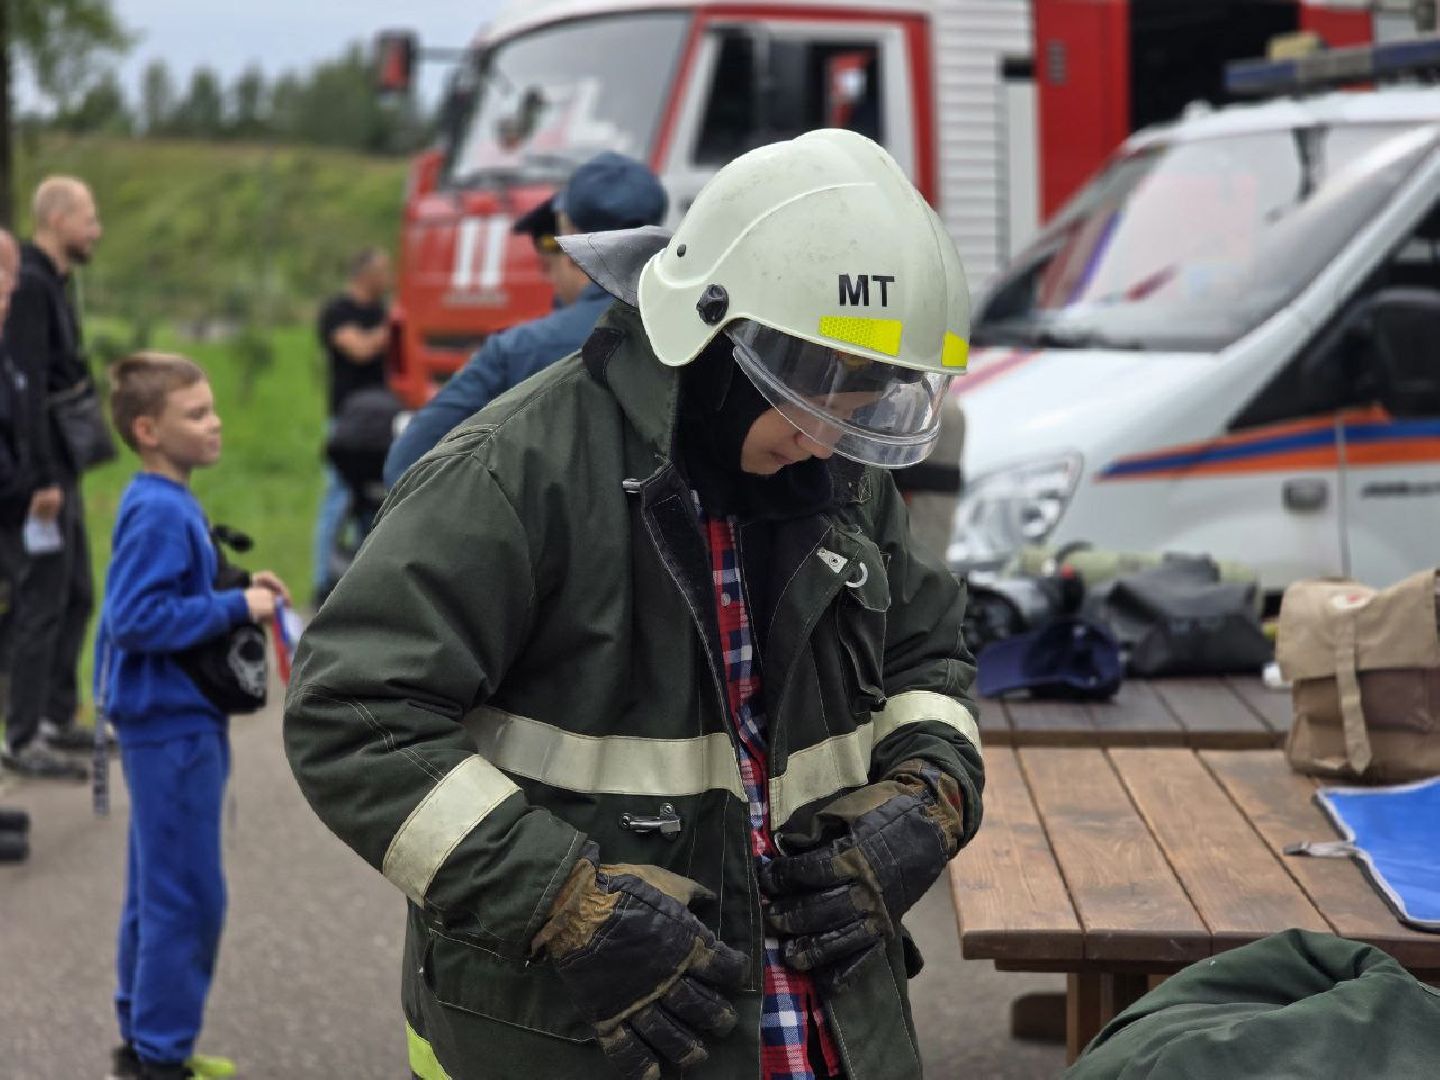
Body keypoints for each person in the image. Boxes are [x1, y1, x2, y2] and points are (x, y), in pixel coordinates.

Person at [286, 129, 982, 1080]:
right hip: (595, 1034)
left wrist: (927, 799)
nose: (825, 442)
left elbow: (931, 658)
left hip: (827, 1033)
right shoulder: (516, 474)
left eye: (858, 410)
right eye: (808, 395)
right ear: (716, 336)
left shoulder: (841, 478)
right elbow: (351, 715)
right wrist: (561, 905)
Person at [95, 353, 289, 1080]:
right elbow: (134, 617)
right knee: (188, 898)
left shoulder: (163, 500)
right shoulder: (158, 510)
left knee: (157, 891)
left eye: (213, 409)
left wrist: (238, 584)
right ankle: (163, 1059)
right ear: (148, 430)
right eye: (197, 414)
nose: (216, 424)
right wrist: (238, 606)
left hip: (169, 724)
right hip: (171, 728)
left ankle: (146, 1042)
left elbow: (172, 591)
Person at [383, 151, 668, 485]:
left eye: (550, 244)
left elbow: (406, 466)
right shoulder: (704, 334)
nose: (546, 266)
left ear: (573, 247)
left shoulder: (515, 350)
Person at [1, 176, 104, 780]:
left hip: (62, 466)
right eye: (89, 219)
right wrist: (42, 476)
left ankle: (57, 715)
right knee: (41, 598)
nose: (97, 231)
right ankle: (23, 734)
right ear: (58, 219)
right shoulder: (32, 285)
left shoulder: (56, 282)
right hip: (43, 473)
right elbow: (29, 385)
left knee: (77, 592)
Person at [313, 249, 390, 604]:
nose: (388, 278)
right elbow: (359, 349)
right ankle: (322, 584)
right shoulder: (338, 311)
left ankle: (362, 585)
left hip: (383, 421)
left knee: (374, 500)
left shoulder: (380, 311)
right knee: (339, 496)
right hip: (346, 422)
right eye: (382, 271)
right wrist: (392, 329)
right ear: (364, 273)